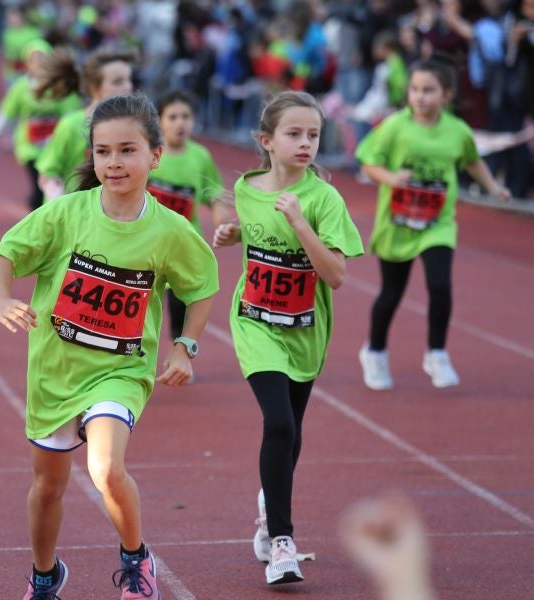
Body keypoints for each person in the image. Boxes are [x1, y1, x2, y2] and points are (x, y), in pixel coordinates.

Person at [0, 93, 218, 599]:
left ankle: (137, 560)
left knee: (105, 469)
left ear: (155, 156)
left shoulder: (171, 230)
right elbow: (4, 254)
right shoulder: (65, 214)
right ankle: (45, 575)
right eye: (103, 152)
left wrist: (185, 347)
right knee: (48, 487)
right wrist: (2, 298)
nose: (114, 163)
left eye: (127, 150)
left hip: (121, 371)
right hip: (55, 369)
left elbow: (201, 286)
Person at [213, 90, 364, 585]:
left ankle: (266, 503)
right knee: (278, 423)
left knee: (291, 434)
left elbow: (337, 275)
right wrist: (230, 232)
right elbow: (230, 213)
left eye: (314, 135)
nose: (306, 143)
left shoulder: (323, 199)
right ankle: (282, 542)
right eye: (294, 134)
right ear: (267, 141)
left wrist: (299, 222)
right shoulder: (248, 187)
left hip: (305, 328)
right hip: (255, 321)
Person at [356, 59, 511, 391]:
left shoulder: (457, 130)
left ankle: (437, 352)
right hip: (398, 222)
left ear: (447, 95)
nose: (420, 97)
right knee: (391, 294)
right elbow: (368, 161)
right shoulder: (395, 126)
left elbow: (471, 161)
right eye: (414, 90)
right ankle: (375, 351)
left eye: (428, 90)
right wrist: (392, 178)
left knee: (440, 286)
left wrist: (494, 188)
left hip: (438, 223)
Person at [151, 89, 226, 347]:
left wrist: (222, 219)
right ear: (159, 120)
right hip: (146, 241)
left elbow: (214, 193)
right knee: (142, 301)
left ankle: (178, 348)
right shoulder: (150, 154)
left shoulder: (200, 156)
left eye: (186, 116)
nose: (180, 123)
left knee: (179, 303)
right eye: (172, 117)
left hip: (183, 244)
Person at [0, 41, 81, 212]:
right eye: (34, 59)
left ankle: (41, 215)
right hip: (29, 148)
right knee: (39, 187)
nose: (38, 64)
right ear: (27, 63)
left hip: (54, 147)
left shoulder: (60, 86)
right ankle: (36, 215)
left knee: (54, 188)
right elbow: (6, 114)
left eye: (42, 59)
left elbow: (72, 116)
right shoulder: (20, 87)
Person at [35, 46, 135, 199]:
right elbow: (47, 174)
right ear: (95, 88)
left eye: (129, 79)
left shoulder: (132, 128)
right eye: (117, 82)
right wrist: (64, 207)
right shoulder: (71, 125)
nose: (127, 86)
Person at [339, 493, 435, 600]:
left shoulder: (381, 561)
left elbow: (353, 534)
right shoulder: (412, 551)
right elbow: (410, 522)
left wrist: (370, 524)